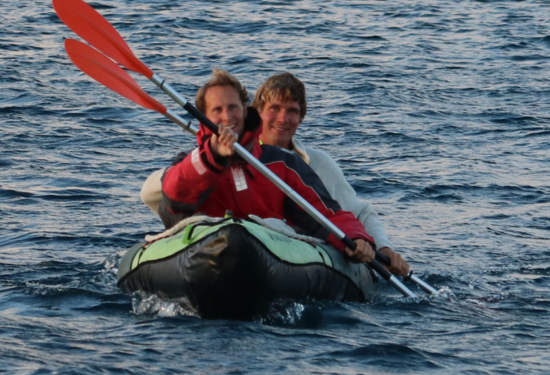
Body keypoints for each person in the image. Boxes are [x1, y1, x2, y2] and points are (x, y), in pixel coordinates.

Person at [154, 70, 378, 263]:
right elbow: (174, 195)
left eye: (233, 107)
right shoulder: (189, 163)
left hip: (266, 257)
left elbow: (325, 213)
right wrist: (213, 155)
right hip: (203, 257)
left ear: (244, 109)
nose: (227, 116)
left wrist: (356, 237)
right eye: (217, 110)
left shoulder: (282, 162)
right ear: (205, 117)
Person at [251, 72, 413, 278]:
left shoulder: (318, 163)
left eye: (292, 111)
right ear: (258, 113)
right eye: (275, 108)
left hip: (305, 267)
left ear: (301, 118)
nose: (283, 118)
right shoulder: (238, 158)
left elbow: (359, 213)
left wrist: (384, 248)